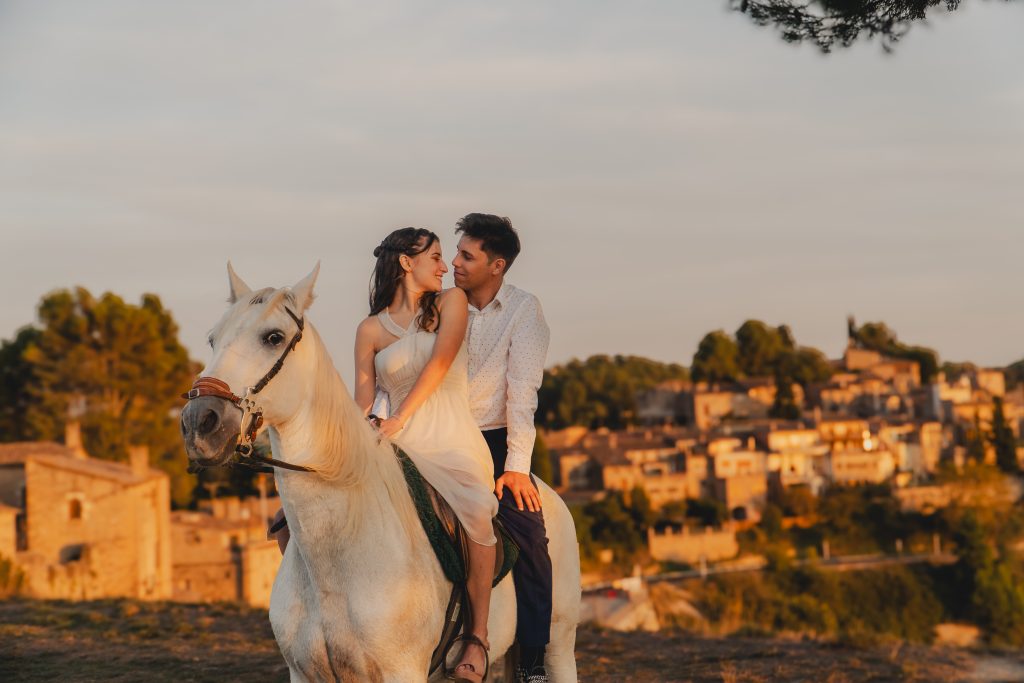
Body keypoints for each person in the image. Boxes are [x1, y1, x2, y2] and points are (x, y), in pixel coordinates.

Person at [353, 227, 497, 683]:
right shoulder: (370, 329)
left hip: (450, 438)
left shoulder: (452, 302)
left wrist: (398, 419)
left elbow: (440, 363)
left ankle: (477, 636)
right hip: (397, 443)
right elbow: (361, 402)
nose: (445, 266)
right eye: (435, 257)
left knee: (475, 509)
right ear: (405, 263)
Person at [452, 213, 553, 683]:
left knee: (531, 537)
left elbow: (522, 392)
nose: (454, 262)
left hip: (492, 440)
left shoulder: (523, 310)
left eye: (466, 256)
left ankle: (532, 662)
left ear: (496, 265)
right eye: (456, 252)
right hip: (434, 432)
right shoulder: (438, 303)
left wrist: (515, 467)